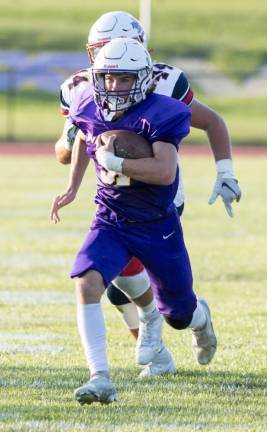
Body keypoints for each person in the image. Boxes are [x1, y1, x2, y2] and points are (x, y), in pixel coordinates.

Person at [54, 11, 241, 361]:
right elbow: (65, 153)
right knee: (114, 285)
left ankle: (170, 320)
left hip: (160, 194)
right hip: (112, 196)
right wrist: (70, 138)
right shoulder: (80, 89)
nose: (114, 65)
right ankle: (153, 337)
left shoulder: (166, 83)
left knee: (162, 299)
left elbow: (212, 121)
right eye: (105, 51)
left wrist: (225, 171)